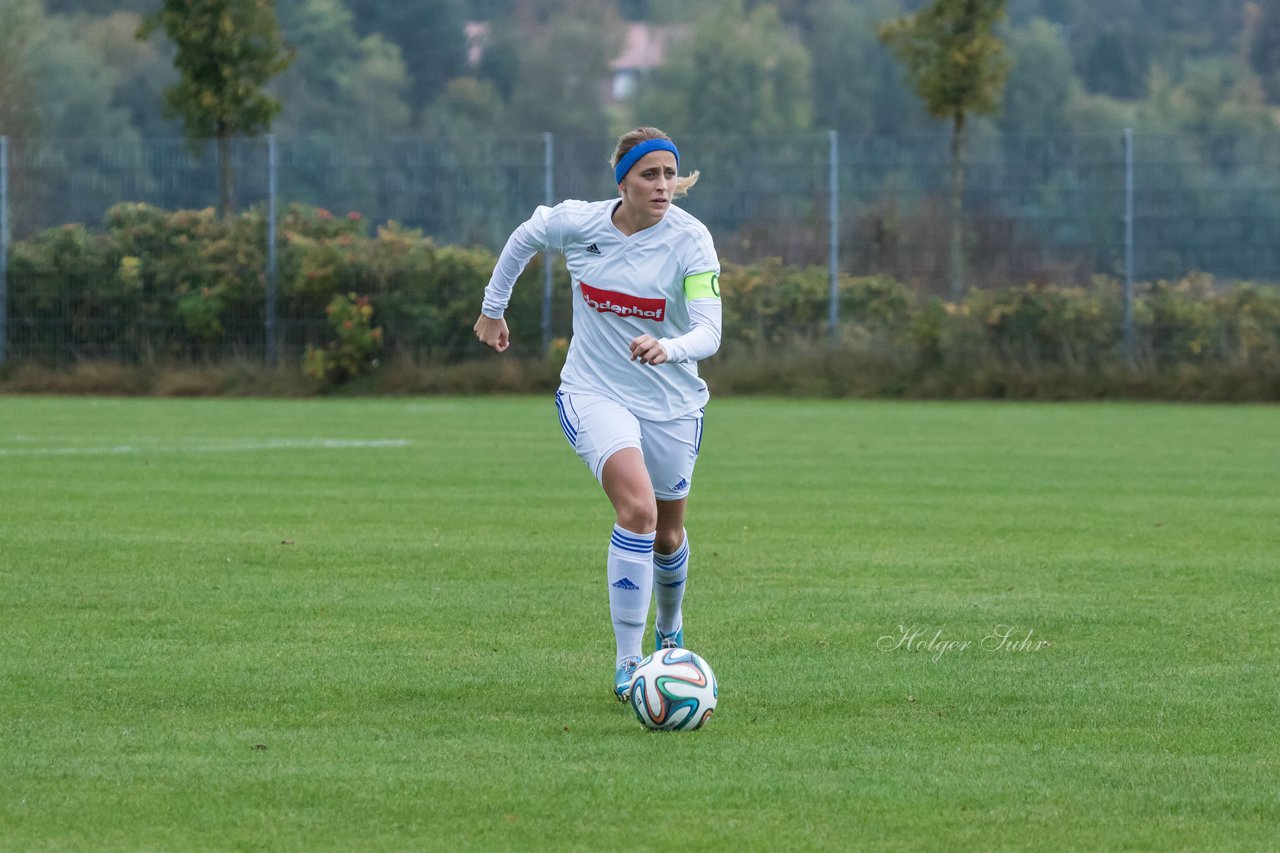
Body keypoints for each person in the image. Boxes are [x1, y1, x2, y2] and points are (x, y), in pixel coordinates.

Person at [474, 126, 723, 702]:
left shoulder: (692, 241)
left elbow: (710, 330)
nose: (663, 187)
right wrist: (493, 309)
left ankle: (670, 629)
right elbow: (524, 237)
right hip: (594, 392)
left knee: (667, 531)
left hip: (672, 401)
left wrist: (672, 347)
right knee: (636, 509)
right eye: (650, 175)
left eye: (669, 174)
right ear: (624, 181)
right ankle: (629, 662)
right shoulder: (579, 224)